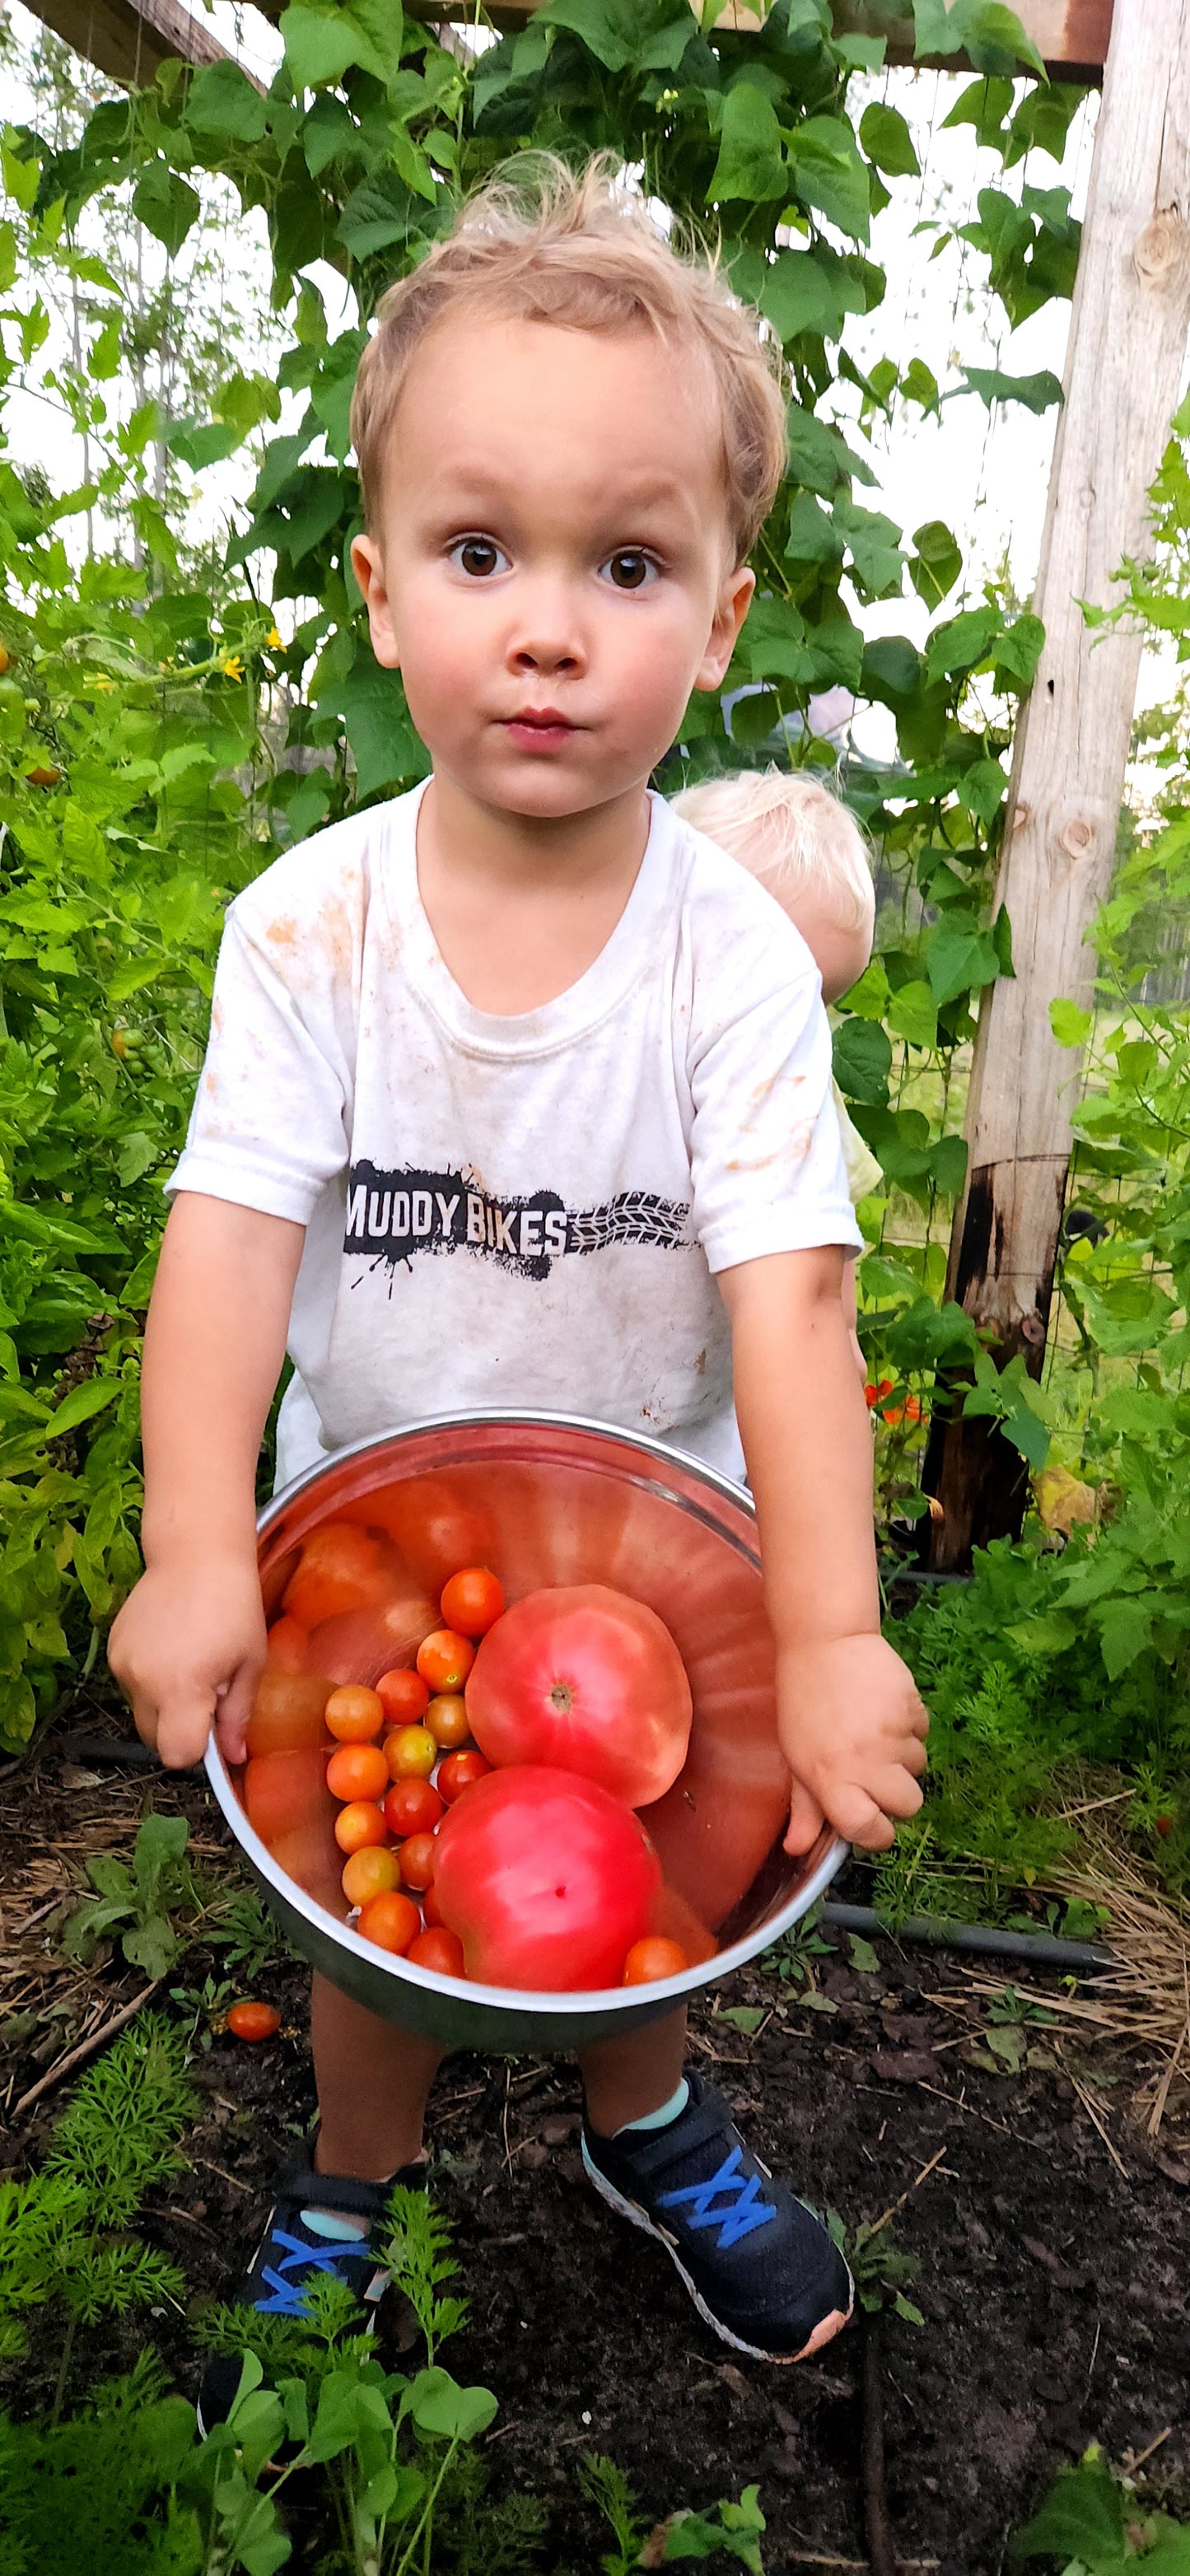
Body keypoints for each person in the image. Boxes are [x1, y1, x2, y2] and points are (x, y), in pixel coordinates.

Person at [109, 158, 927, 2376]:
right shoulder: (309, 926)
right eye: (483, 554)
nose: (548, 624)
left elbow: (792, 1293)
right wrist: (200, 1546)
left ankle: (640, 2123)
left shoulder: (732, 964)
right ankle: (345, 2179)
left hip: (651, 1563)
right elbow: (231, 1238)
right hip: (374, 1544)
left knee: (637, 1890)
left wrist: (827, 1630)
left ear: (724, 618)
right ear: (380, 597)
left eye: (625, 562)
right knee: (380, 1932)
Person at [670, 766, 883, 1381]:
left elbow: (829, 1304)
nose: (784, 1038)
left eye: (813, 1010)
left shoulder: (805, 1099)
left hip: (727, 1397)